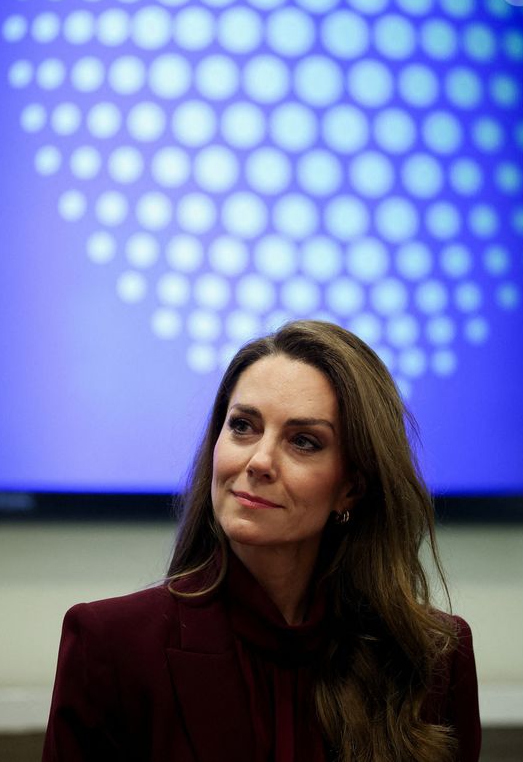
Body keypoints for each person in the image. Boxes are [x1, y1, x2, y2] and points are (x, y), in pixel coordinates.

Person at [43, 320, 480, 762]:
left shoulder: (433, 659)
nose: (260, 461)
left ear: (351, 487)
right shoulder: (110, 646)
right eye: (243, 426)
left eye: (304, 441)